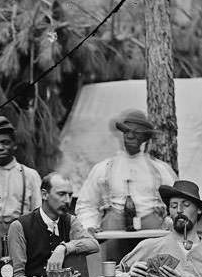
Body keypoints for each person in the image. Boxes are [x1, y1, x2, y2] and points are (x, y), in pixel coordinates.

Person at [75, 109, 177, 263]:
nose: (130, 136)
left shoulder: (160, 170)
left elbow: (177, 203)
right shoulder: (104, 168)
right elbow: (86, 203)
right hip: (114, 237)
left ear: (145, 137)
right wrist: (89, 225)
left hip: (152, 238)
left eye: (136, 132)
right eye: (126, 131)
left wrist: (170, 220)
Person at [0, 116, 42, 266]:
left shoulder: (29, 175)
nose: (0, 147)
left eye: (5, 142)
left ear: (14, 145)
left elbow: (38, 214)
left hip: (20, 238)